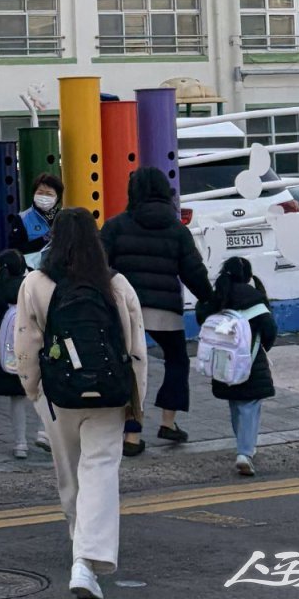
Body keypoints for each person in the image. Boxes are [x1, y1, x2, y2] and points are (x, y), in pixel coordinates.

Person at [14, 207, 147, 599]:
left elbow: (26, 343)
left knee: (69, 473)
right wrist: (135, 402)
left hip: (59, 395)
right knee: (100, 470)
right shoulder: (114, 282)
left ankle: (79, 544)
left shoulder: (36, 282)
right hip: (108, 395)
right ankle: (86, 560)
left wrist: (33, 389)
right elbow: (135, 347)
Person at [100, 166, 213, 457]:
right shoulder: (177, 230)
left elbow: (98, 266)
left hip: (125, 308)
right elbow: (194, 272)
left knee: (131, 366)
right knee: (176, 360)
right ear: (166, 192)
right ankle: (168, 421)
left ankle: (132, 434)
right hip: (165, 310)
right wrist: (211, 301)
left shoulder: (115, 226)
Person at [196, 257, 276, 477]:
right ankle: (245, 452)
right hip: (250, 359)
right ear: (248, 276)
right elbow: (269, 330)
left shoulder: (217, 296)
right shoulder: (256, 298)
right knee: (250, 405)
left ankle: (243, 446)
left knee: (235, 404)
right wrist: (261, 349)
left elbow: (201, 318)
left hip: (222, 361)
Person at [0, 249, 48, 459]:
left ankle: (20, 444)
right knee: (43, 392)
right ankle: (44, 432)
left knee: (17, 397)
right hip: (37, 349)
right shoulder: (34, 287)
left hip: (11, 352)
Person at [7, 173, 63, 255]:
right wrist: (43, 240)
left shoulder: (65, 217)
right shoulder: (22, 219)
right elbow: (14, 250)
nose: (44, 197)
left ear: (57, 198)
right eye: (40, 193)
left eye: (49, 194)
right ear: (34, 194)